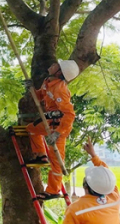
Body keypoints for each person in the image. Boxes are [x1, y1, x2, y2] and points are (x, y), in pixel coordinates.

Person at [24, 59, 80, 201]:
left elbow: (69, 114)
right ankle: (41, 155)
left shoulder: (60, 88)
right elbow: (40, 96)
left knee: (56, 161)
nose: (52, 65)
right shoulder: (48, 82)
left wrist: (58, 133)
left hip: (59, 128)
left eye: (56, 65)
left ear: (59, 72)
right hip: (48, 122)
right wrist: (31, 89)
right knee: (31, 129)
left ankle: (53, 190)